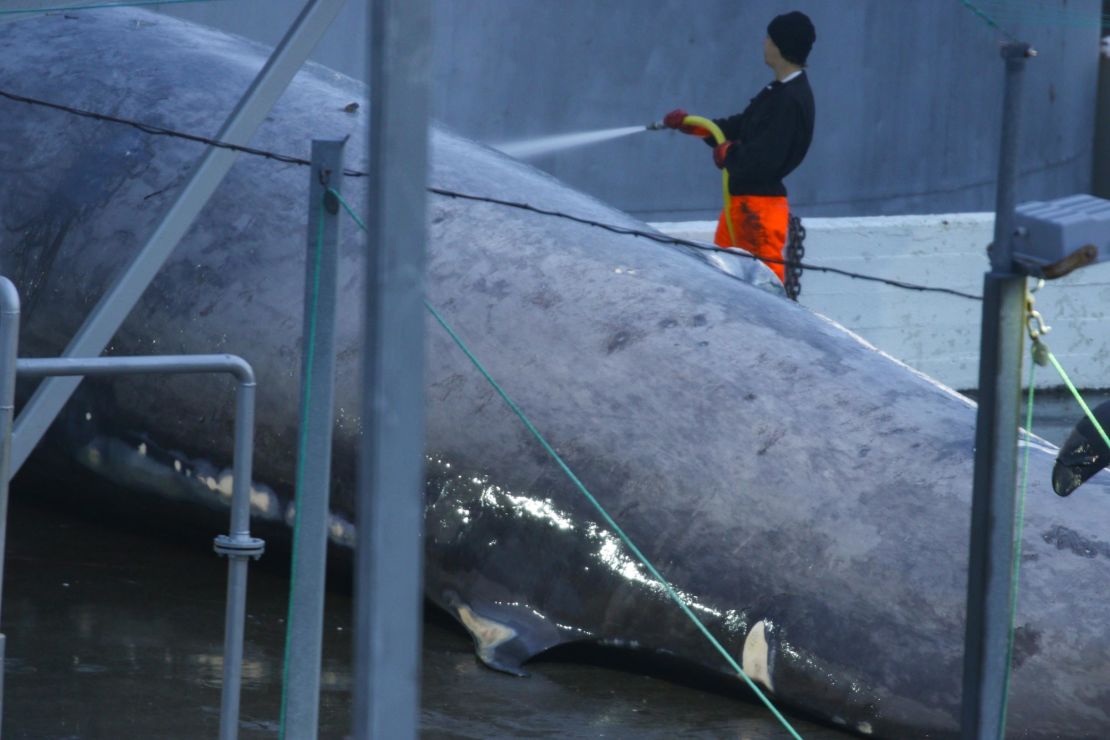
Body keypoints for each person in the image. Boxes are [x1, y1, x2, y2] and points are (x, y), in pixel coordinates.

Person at [663, 11, 816, 284]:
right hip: (743, 206)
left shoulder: (790, 100)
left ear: (780, 45)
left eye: (769, 38)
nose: (764, 43)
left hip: (758, 213)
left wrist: (730, 154)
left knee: (761, 291)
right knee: (725, 284)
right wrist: (694, 126)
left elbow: (767, 158)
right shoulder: (779, 92)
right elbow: (742, 126)